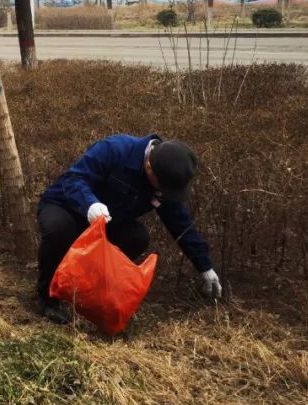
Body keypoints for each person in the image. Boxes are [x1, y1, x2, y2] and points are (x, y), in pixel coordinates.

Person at [36, 134, 220, 323]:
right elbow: (73, 179)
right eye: (162, 188)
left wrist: (204, 265)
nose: (164, 193)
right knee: (59, 229)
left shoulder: (164, 180)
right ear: (149, 167)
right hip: (65, 205)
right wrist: (89, 204)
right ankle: (48, 299)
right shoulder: (114, 149)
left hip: (107, 221)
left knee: (137, 238)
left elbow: (179, 222)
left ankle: (85, 289)